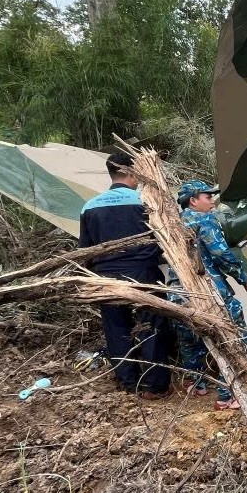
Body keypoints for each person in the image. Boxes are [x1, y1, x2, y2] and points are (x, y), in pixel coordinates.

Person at [78, 151, 173, 400]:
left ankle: (128, 383)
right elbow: (164, 241)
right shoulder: (145, 200)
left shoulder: (89, 206)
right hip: (142, 272)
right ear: (131, 172)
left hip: (106, 276)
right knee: (151, 325)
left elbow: (85, 251)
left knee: (116, 328)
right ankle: (155, 386)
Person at [167, 179, 247, 411]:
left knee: (190, 338)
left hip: (177, 291)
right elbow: (220, 253)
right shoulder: (204, 219)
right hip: (208, 290)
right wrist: (243, 277)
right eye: (208, 197)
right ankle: (228, 394)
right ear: (194, 201)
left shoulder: (171, 222)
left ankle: (196, 384)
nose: (213, 202)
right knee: (234, 337)